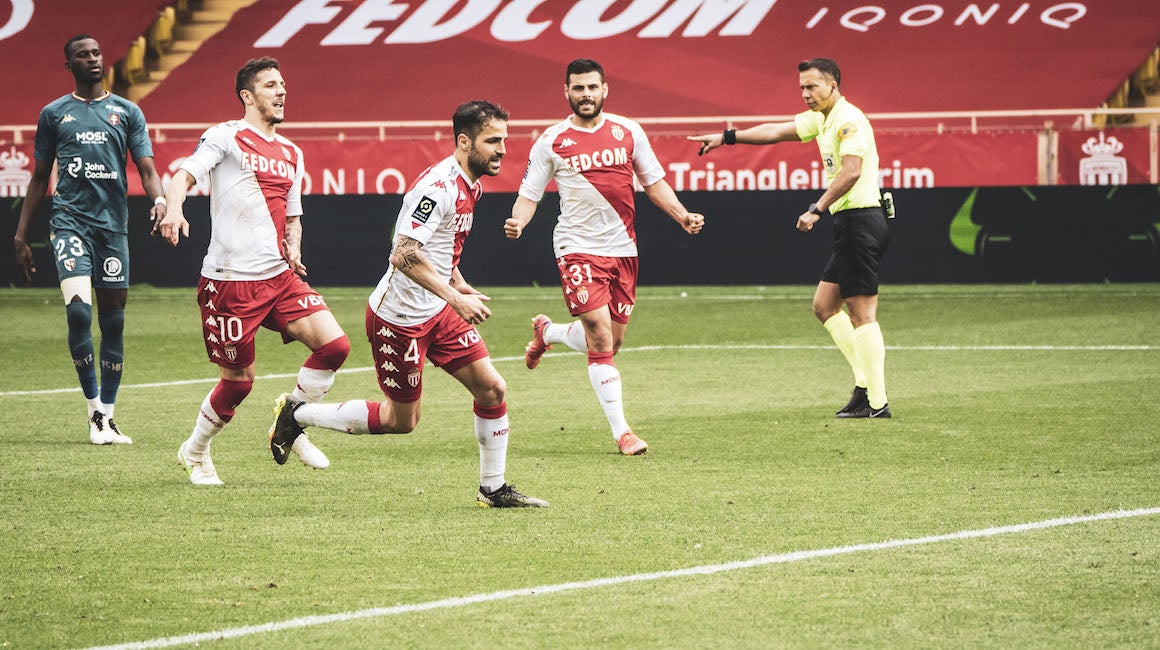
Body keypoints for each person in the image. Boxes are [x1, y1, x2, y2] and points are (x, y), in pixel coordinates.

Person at [269, 100, 547, 508]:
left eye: (504, 139)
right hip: (398, 321)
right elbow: (402, 253)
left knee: (492, 388)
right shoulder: (437, 188)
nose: (503, 148)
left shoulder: (472, 184)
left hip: (438, 311)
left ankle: (493, 488)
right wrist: (454, 297)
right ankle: (297, 415)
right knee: (401, 421)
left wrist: (459, 284)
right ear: (465, 141)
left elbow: (441, 250)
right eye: (493, 140)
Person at [158, 57, 351, 485]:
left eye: (283, 84)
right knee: (239, 383)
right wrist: (173, 210)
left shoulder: (292, 152)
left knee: (334, 346)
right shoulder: (226, 136)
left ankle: (292, 420)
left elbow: (294, 216)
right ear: (248, 96)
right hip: (229, 281)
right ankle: (195, 450)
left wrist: (294, 249)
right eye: (270, 86)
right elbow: (183, 175)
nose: (282, 92)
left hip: (278, 277)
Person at [504, 58, 705, 455]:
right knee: (598, 334)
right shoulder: (551, 140)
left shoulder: (628, 131)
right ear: (567, 92)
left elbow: (654, 181)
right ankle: (622, 432)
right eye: (577, 88)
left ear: (604, 90)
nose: (585, 95)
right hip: (576, 246)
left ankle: (549, 333)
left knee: (612, 340)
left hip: (622, 248)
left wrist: (682, 215)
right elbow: (529, 192)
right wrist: (518, 221)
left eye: (592, 88)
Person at [688, 57, 891, 418]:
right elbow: (775, 131)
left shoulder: (849, 119)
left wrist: (817, 208)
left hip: (862, 220)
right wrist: (726, 137)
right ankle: (865, 388)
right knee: (825, 306)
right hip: (849, 224)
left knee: (862, 312)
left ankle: (877, 402)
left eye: (812, 86)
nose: (805, 94)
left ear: (833, 85)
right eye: (802, 88)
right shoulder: (821, 119)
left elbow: (852, 171)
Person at [13, 34, 167, 445]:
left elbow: (147, 170)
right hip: (70, 223)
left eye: (96, 53)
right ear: (70, 66)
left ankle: (110, 417)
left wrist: (160, 202)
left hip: (112, 229)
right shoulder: (54, 114)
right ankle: (93, 413)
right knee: (80, 314)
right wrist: (20, 234)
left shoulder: (127, 112)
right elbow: (39, 177)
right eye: (82, 55)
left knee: (113, 323)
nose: (92, 59)